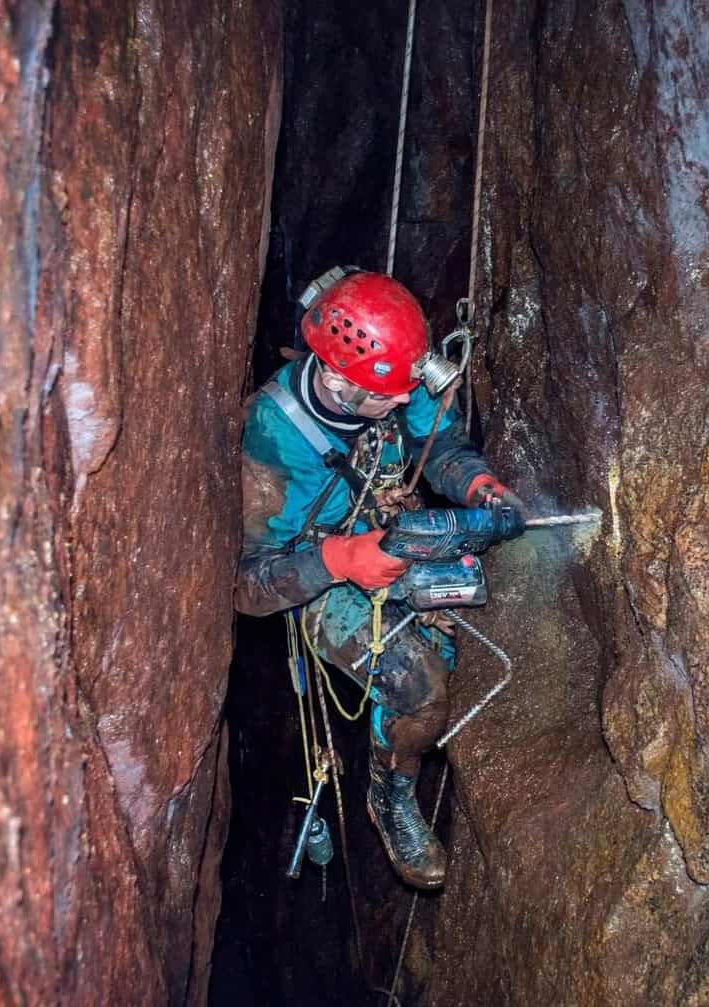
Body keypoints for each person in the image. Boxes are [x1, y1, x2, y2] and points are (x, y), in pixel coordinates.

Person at [234, 267, 520, 890]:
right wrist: (339, 561)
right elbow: (248, 586)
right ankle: (390, 800)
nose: (404, 401)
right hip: (315, 574)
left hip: (386, 523)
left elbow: (436, 444)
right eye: (387, 396)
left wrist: (475, 481)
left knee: (448, 626)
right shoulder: (271, 442)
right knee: (418, 684)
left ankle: (398, 756)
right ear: (337, 379)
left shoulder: (396, 371)